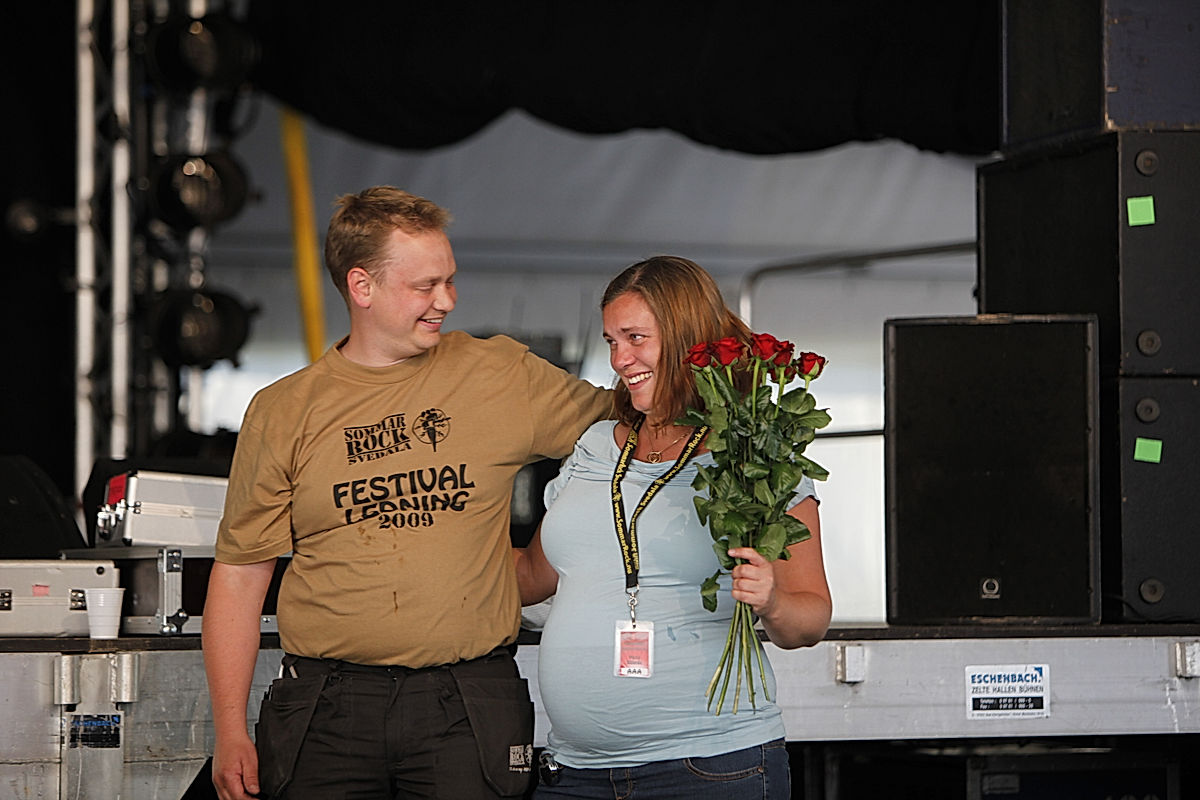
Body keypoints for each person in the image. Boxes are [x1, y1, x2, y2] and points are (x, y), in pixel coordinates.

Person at [202, 186, 612, 800]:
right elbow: (240, 573)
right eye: (426, 286)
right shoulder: (283, 410)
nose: (447, 300)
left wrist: (715, 373)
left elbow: (635, 434)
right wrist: (229, 728)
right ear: (362, 287)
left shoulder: (500, 374)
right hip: (324, 707)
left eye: (449, 280)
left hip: (467, 701)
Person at [513, 255, 831, 799]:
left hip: (711, 767)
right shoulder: (594, 446)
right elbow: (526, 576)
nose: (620, 359)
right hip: (574, 774)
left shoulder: (752, 453)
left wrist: (773, 602)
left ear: (687, 337)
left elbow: (810, 619)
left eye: (635, 338)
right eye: (612, 341)